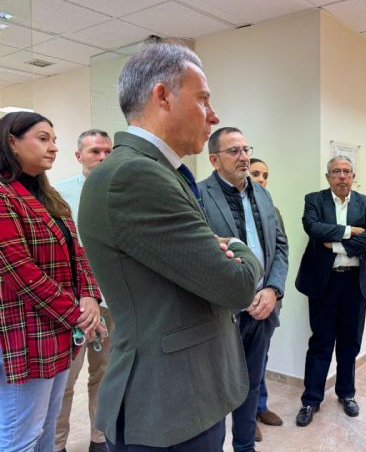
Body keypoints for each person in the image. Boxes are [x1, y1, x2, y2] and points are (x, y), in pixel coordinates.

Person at [78, 43, 263, 452]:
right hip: (169, 405)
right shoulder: (134, 175)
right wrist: (237, 245)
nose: (213, 116)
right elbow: (236, 284)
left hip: (188, 392)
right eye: (203, 100)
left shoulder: (159, 171)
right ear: (163, 96)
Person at [0, 111, 103, 452]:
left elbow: (79, 253)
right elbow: (22, 273)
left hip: (58, 333)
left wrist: (89, 296)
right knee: (21, 435)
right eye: (43, 139)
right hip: (25, 334)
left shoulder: (50, 197)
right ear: (11, 142)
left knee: (46, 428)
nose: (53, 147)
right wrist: (77, 313)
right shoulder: (3, 196)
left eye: (54, 140)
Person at [198, 128, 288, 452]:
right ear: (214, 159)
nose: (243, 157)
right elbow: (201, 256)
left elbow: (279, 246)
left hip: (263, 309)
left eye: (245, 149)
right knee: (219, 390)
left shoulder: (262, 194)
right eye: (233, 151)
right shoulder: (198, 195)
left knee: (250, 386)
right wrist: (239, 293)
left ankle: (245, 446)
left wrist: (273, 290)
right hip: (222, 314)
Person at [294, 155, 366, 427]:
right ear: (328, 177)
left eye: (346, 171)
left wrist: (336, 245)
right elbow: (314, 228)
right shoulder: (314, 200)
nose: (342, 176)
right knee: (320, 341)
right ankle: (311, 400)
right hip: (324, 282)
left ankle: (346, 393)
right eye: (336, 172)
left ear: (353, 176)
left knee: (349, 342)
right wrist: (350, 231)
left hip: (355, 282)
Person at [55, 129, 113, 452]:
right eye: (95, 152)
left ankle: (99, 439)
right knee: (65, 382)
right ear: (79, 156)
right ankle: (57, 444)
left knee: (104, 375)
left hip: (113, 302)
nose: (103, 157)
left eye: (107, 151)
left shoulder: (123, 192)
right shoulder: (59, 196)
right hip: (75, 307)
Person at [248, 157, 285, 439]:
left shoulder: (273, 210)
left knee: (261, 358)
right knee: (239, 361)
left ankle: (260, 407)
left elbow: (281, 252)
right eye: (255, 173)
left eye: (265, 175)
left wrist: (272, 290)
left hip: (269, 300)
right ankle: (245, 416)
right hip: (239, 302)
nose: (261, 179)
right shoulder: (227, 209)